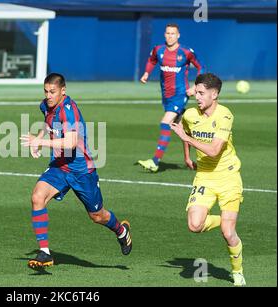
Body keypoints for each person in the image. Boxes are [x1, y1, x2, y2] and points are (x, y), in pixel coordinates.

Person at [20, 73, 133, 268]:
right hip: (59, 166)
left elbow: (71, 143)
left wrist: (41, 142)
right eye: (46, 91)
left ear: (63, 91)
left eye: (52, 92)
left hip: (82, 171)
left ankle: (121, 231)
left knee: (97, 216)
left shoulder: (69, 111)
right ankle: (45, 253)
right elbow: (49, 124)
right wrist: (38, 139)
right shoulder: (46, 105)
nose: (48, 96)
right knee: (37, 197)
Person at [170, 73, 246, 286]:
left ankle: (237, 271)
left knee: (229, 234)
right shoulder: (191, 115)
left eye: (201, 93)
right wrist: (186, 155)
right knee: (195, 225)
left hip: (229, 177)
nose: (197, 96)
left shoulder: (225, 115)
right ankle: (225, 221)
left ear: (215, 94)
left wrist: (187, 140)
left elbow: (213, 150)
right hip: (204, 177)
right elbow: (184, 129)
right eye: (196, 92)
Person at [138, 23, 205, 172]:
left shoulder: (186, 52)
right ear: (164, 34)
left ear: (178, 35)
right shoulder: (159, 50)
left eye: (173, 33)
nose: (170, 36)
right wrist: (146, 73)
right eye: (167, 33)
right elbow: (152, 60)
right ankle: (189, 160)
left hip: (180, 94)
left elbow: (201, 67)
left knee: (165, 123)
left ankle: (155, 162)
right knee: (181, 127)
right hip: (166, 95)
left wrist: (195, 87)